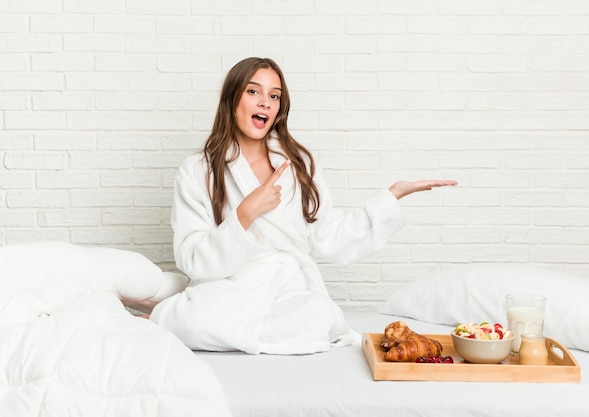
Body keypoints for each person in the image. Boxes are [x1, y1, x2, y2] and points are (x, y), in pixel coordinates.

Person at [149, 57, 457, 355]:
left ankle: (192, 318)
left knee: (319, 315)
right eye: (253, 91)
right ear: (231, 99)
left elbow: (328, 234)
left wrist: (390, 197)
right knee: (196, 318)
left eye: (274, 96)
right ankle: (185, 314)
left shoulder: (299, 163)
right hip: (230, 287)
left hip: (288, 289)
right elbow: (191, 256)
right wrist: (244, 214)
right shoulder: (198, 169)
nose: (265, 102)